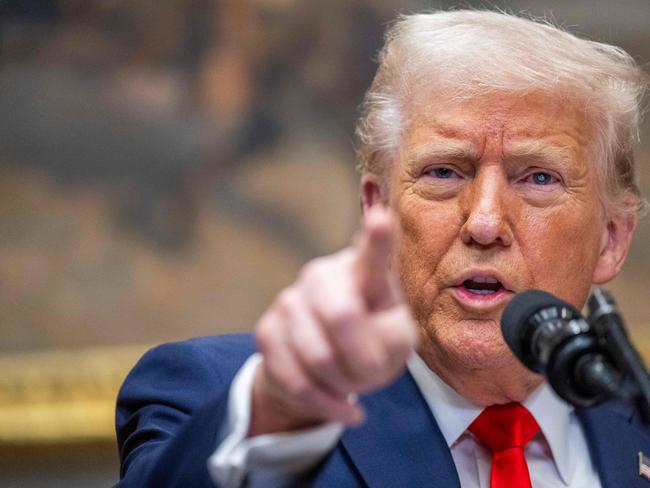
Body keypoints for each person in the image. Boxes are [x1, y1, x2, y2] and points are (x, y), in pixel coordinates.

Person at [115, 10, 649, 488]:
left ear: (612, 238)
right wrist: (276, 410)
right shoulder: (227, 402)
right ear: (378, 210)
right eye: (443, 171)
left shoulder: (637, 421)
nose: (484, 223)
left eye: (537, 178)